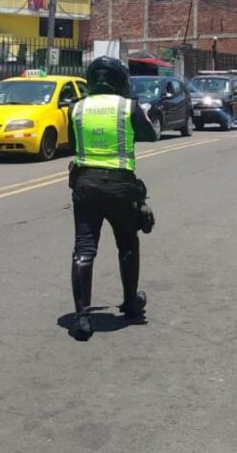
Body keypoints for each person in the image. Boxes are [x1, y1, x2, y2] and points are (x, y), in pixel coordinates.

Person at [66, 57, 158, 342]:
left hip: (85, 184)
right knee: (127, 243)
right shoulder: (126, 107)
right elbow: (151, 135)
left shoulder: (76, 108)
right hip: (120, 186)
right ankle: (130, 301)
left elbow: (73, 142)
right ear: (120, 80)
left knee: (84, 247)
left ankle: (82, 317)